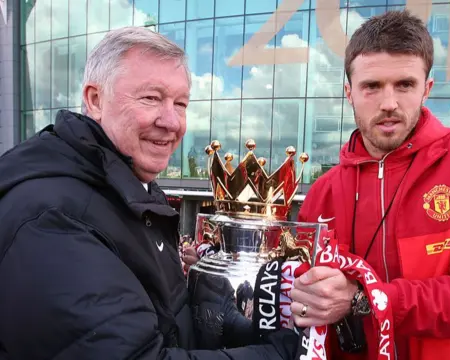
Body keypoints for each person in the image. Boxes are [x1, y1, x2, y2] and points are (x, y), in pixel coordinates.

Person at [0, 27, 297, 359]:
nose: (171, 122)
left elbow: (161, 320)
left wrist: (222, 313)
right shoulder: (52, 216)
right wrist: (280, 354)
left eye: (180, 103)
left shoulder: (126, 186)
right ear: (95, 100)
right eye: (151, 98)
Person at [290, 10, 450, 360]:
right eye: (372, 86)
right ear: (349, 92)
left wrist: (364, 299)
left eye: (405, 84)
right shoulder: (322, 192)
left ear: (427, 88)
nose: (389, 103)